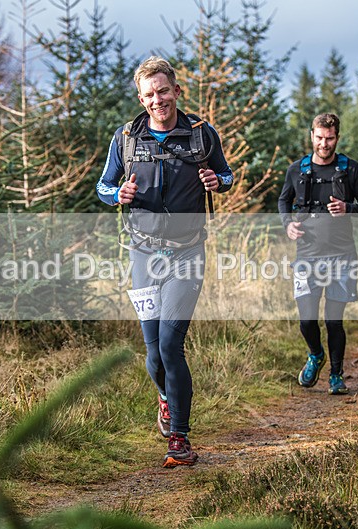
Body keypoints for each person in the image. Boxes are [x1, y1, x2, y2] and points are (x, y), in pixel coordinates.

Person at [96, 56, 233, 468]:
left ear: (176, 89)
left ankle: (180, 439)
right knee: (153, 354)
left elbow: (226, 177)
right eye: (149, 94)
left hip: (187, 254)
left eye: (163, 91)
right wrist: (116, 195)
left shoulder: (201, 135)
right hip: (142, 256)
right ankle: (165, 399)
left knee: (172, 346)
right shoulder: (124, 138)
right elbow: (103, 186)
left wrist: (215, 181)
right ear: (141, 98)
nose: (158, 100)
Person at [278, 113, 358, 394]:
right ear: (311, 136)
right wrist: (288, 224)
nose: (324, 144)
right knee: (306, 320)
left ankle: (336, 375)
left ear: (337, 137)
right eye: (319, 138)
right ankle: (316, 355)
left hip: (342, 255)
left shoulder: (350, 169)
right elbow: (284, 200)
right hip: (306, 255)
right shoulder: (297, 170)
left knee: (334, 320)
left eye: (330, 138)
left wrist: (348, 208)